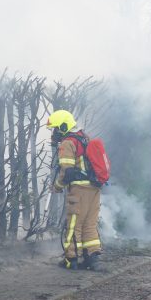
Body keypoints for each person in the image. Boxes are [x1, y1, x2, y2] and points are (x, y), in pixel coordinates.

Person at [46, 109, 103, 271]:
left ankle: (71, 260)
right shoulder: (84, 138)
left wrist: (57, 186)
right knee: (90, 224)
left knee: (73, 225)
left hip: (79, 189)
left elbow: (67, 171)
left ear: (63, 127)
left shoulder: (67, 143)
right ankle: (92, 259)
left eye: (56, 128)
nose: (54, 133)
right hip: (94, 188)